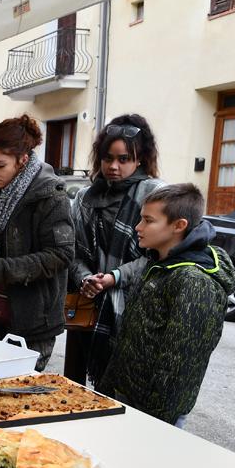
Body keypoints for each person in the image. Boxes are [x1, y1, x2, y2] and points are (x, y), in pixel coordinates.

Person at [96, 183, 235, 430]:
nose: (138, 227)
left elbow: (180, 365)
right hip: (129, 397)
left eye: (148, 221)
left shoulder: (193, 282)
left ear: (178, 226)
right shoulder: (159, 262)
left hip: (154, 415)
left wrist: (155, 423)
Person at [0, 115, 72, 371]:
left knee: (13, 398)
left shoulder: (50, 195)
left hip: (30, 320)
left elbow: (60, 256)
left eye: (0, 165)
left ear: (23, 160)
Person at [67, 114, 164, 385]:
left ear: (141, 158)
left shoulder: (156, 195)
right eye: (107, 158)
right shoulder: (86, 197)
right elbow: (73, 251)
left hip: (136, 308)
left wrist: (114, 277)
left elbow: (157, 256)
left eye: (123, 159)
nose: (113, 166)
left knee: (125, 386)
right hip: (88, 304)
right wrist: (85, 278)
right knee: (81, 384)